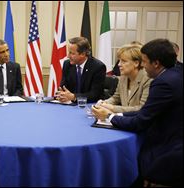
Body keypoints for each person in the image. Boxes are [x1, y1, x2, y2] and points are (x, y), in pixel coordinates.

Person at [92, 39, 183, 187]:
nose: (143, 65)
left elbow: (141, 120)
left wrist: (109, 116)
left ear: (156, 63)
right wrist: (112, 111)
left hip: (169, 149)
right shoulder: (175, 73)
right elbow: (143, 111)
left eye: (145, 62)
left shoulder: (162, 82)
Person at [97, 44, 152, 113]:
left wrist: (113, 108)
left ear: (136, 63)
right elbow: (116, 98)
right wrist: (104, 103)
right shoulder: (123, 77)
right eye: (119, 61)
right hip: (124, 119)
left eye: (123, 61)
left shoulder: (148, 79)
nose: (119, 64)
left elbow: (141, 108)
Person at [56, 37, 106, 103]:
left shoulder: (98, 67)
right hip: (70, 105)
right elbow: (63, 87)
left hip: (90, 105)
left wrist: (74, 97)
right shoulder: (67, 64)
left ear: (83, 54)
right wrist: (61, 94)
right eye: (69, 52)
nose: (68, 56)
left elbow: (95, 94)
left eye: (72, 53)